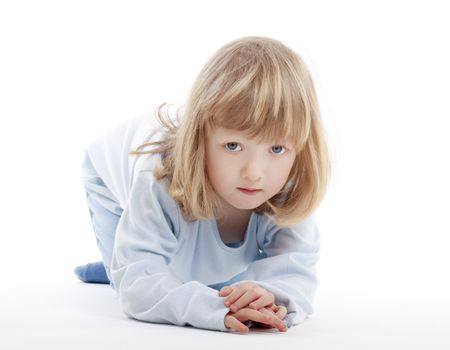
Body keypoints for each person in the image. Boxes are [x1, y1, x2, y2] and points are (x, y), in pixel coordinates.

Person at [74, 36, 332, 334]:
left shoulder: (287, 181)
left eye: (276, 149)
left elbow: (295, 270)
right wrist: (218, 308)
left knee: (204, 282)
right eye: (233, 146)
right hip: (109, 180)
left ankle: (135, 258)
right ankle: (112, 266)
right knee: (133, 272)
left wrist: (270, 295)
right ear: (200, 139)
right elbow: (137, 285)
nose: (254, 174)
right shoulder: (158, 176)